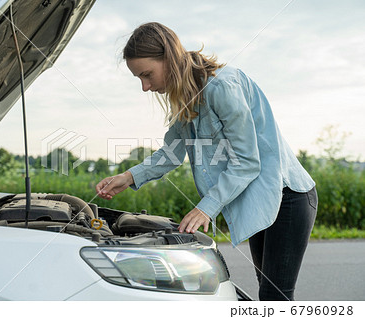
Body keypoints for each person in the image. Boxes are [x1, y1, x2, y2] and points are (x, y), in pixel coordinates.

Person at [95, 22, 317, 301]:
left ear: (169, 58)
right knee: (268, 293)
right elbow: (172, 152)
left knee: (275, 296)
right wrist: (127, 177)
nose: (145, 87)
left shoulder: (222, 87)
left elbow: (247, 162)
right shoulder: (185, 98)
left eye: (147, 74)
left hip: (287, 197)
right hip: (261, 199)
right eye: (139, 78)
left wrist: (206, 209)